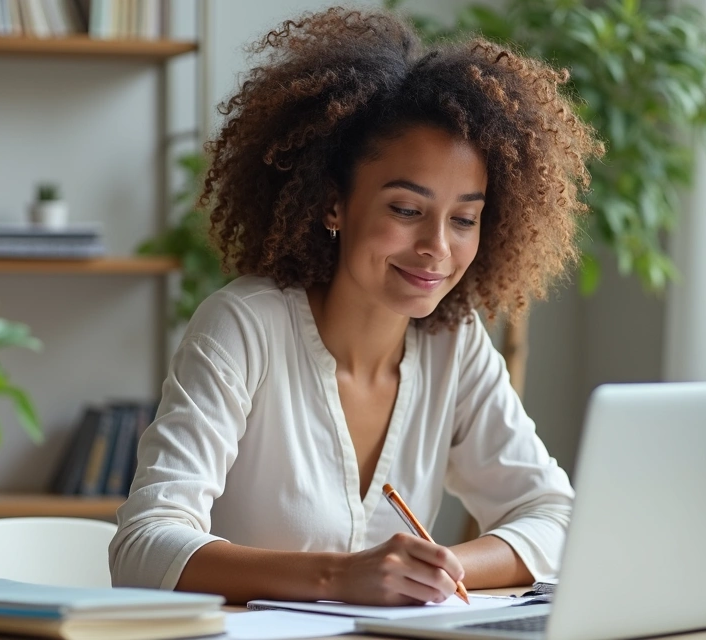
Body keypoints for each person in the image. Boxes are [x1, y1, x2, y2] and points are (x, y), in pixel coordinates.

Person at [110, 7, 601, 606]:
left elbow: (557, 516)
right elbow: (143, 547)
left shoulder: (456, 343)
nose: (436, 249)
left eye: (465, 219)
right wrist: (341, 577)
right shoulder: (244, 327)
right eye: (405, 209)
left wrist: (441, 569)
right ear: (333, 204)